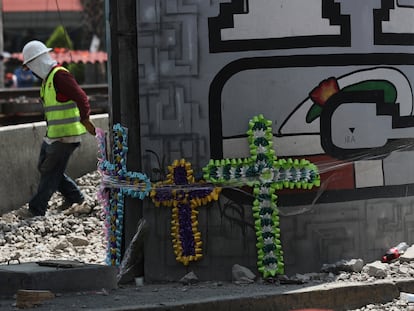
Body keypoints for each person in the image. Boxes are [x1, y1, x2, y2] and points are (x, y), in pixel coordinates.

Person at [17, 40, 96, 218]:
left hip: (66, 136)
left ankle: (36, 209)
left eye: (31, 66)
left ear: (37, 62)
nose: (32, 71)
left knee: (50, 171)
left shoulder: (60, 76)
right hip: (54, 135)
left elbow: (82, 97)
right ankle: (75, 197)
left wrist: (85, 118)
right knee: (46, 168)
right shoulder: (48, 80)